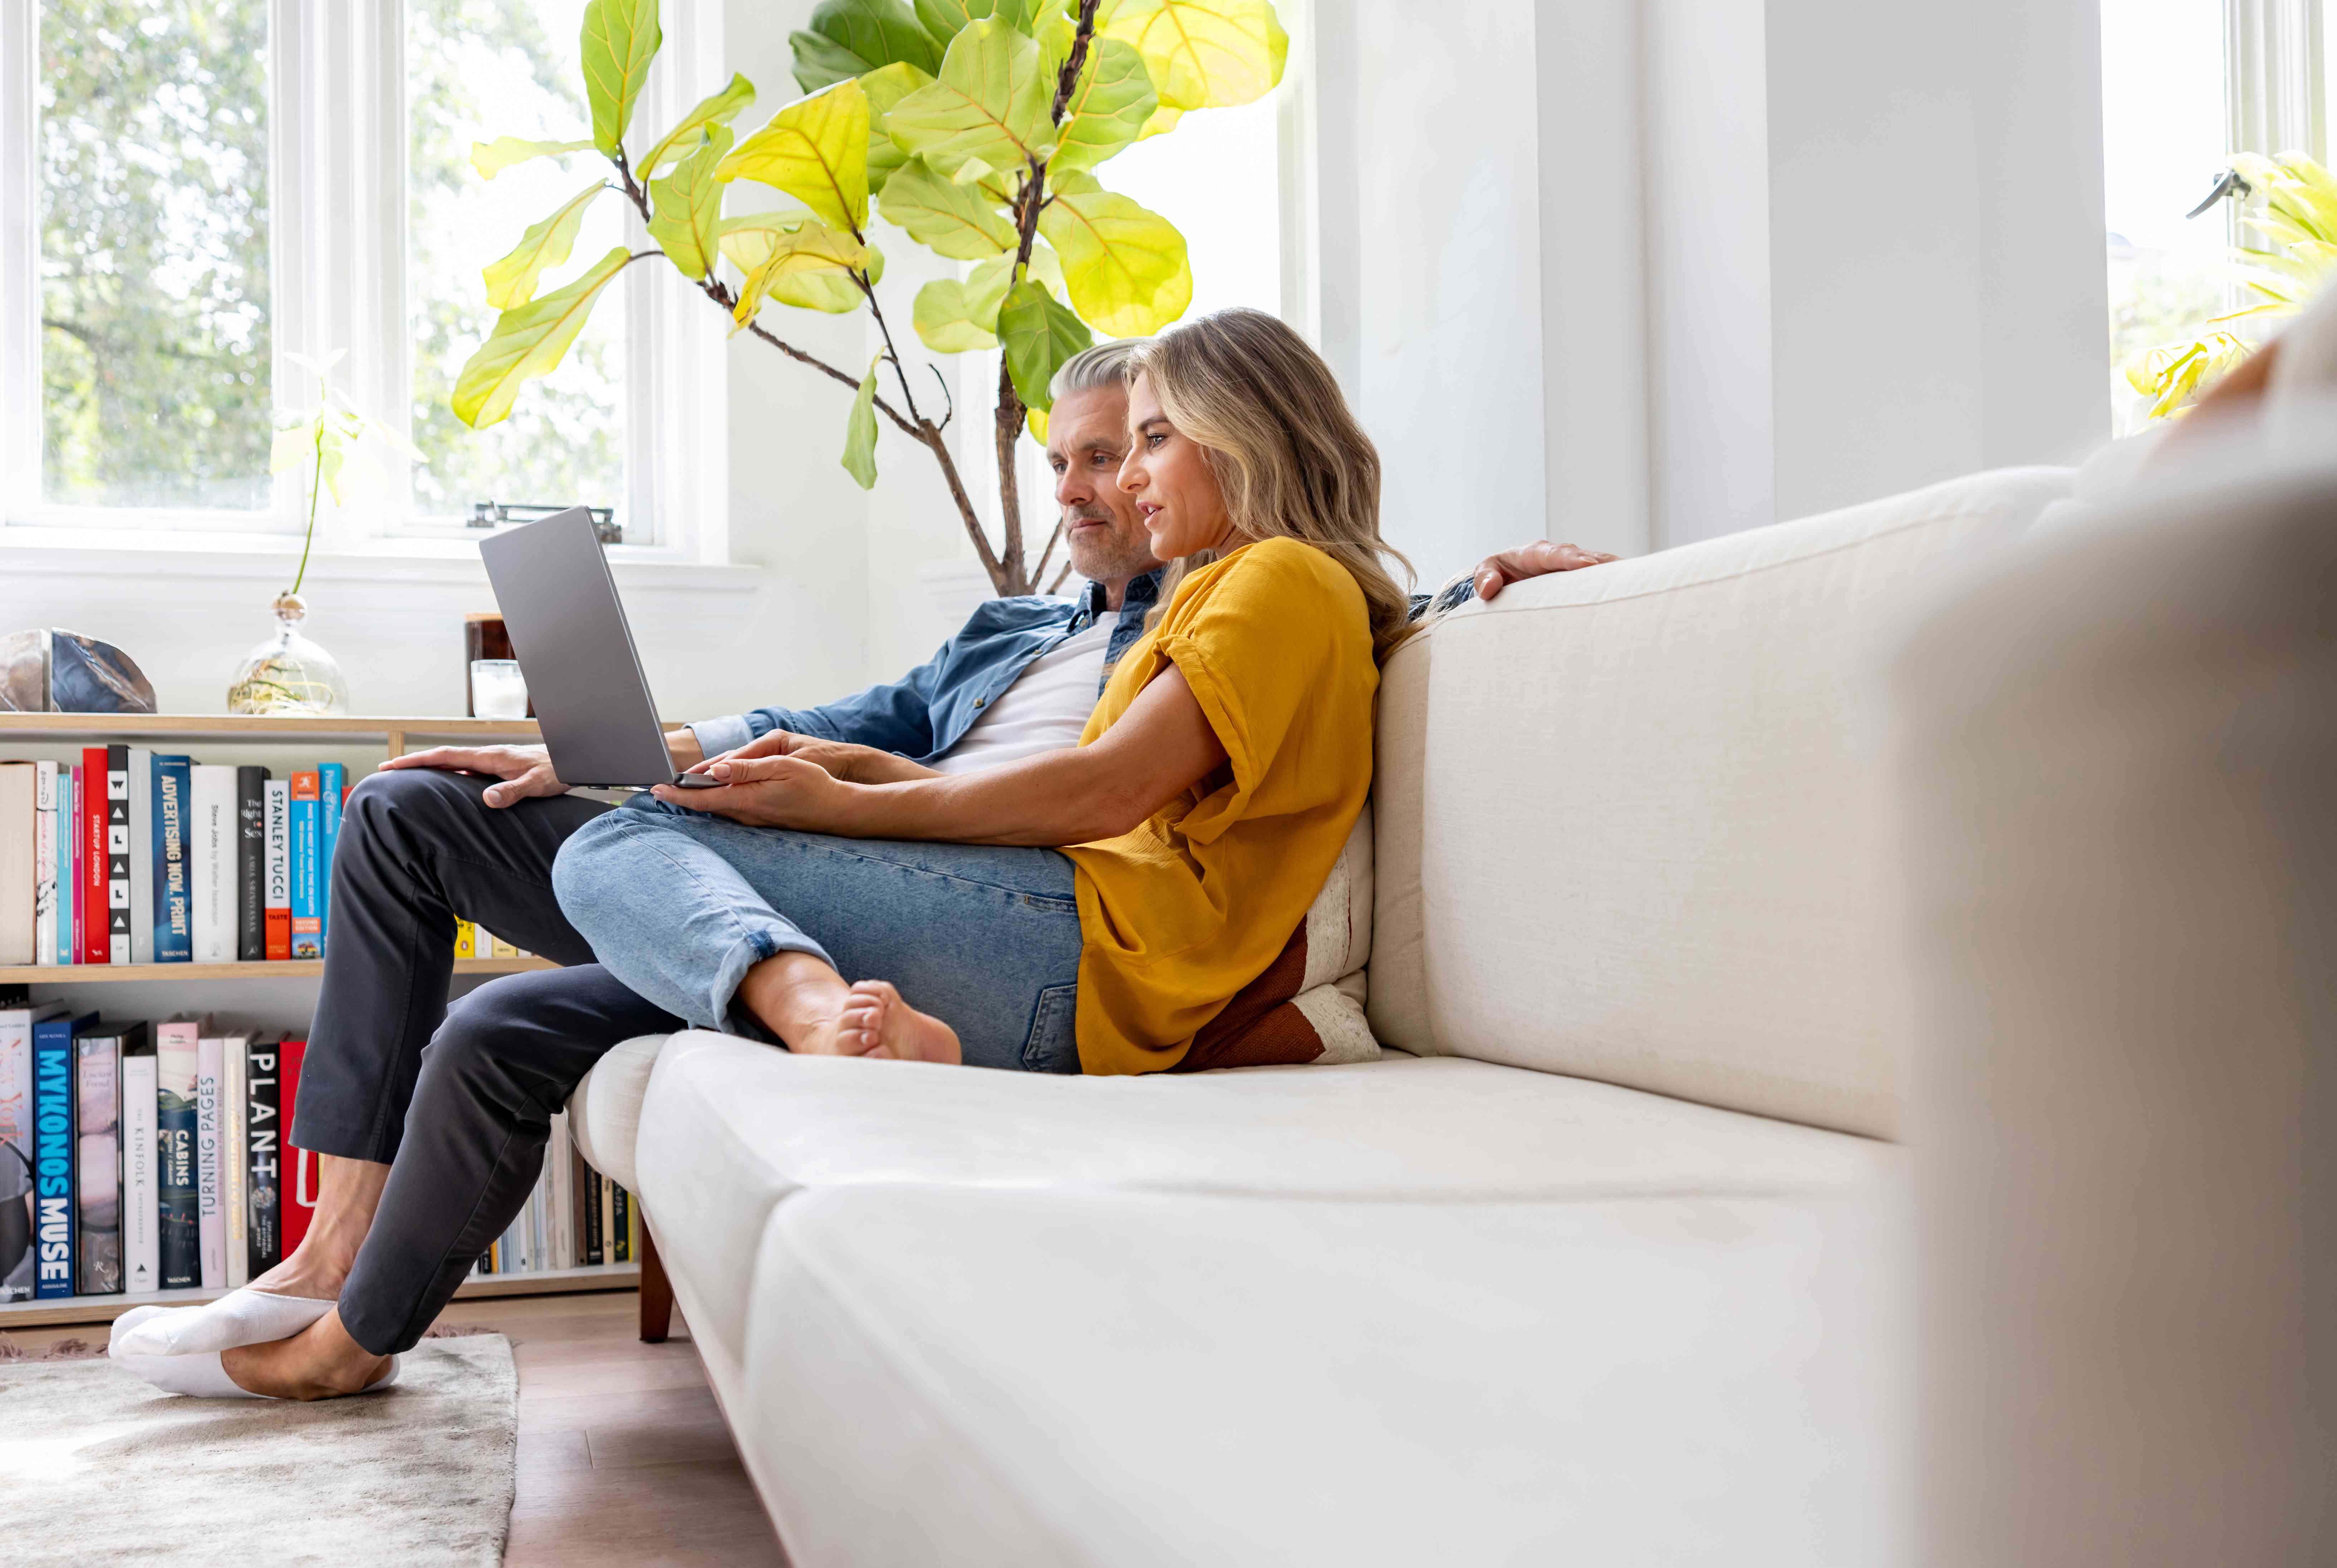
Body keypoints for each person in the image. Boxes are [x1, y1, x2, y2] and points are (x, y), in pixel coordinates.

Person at [108, 328, 1615, 1401]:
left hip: (1005, 918)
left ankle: (808, 998)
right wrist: (658, 749)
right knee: (461, 922)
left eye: (1134, 445)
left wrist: (1477, 588)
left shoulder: (1250, 590)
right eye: (1083, 457)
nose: (1103, 486)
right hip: (930, 884)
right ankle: (340, 1301)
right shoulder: (1021, 633)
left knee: (632, 841)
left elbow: (1234, 696)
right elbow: (832, 726)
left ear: (1226, 435)